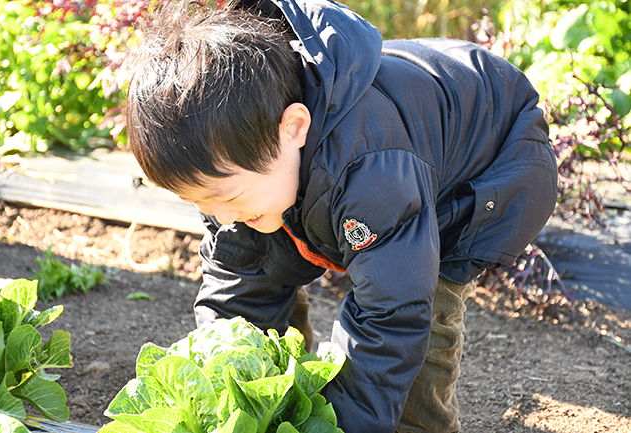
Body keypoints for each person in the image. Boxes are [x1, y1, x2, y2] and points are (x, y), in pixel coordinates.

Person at [125, 1, 558, 432]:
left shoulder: (370, 170)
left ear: (293, 128)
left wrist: (345, 426)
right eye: (200, 202)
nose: (221, 215)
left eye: (226, 195)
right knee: (258, 260)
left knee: (422, 302)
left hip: (492, 160)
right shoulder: (244, 162)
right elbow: (237, 289)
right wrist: (230, 389)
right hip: (378, 155)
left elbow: (391, 314)